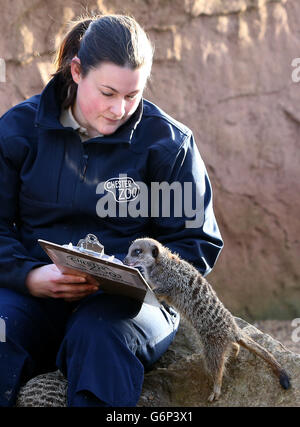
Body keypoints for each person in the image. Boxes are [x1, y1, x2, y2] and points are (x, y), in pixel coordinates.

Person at [0, 14, 223, 407]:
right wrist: (29, 275)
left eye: (132, 95)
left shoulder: (168, 145)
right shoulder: (19, 130)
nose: (119, 109)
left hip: (129, 307)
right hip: (34, 292)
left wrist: (132, 276)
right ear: (76, 71)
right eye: (107, 92)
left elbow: (194, 242)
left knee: (100, 336)